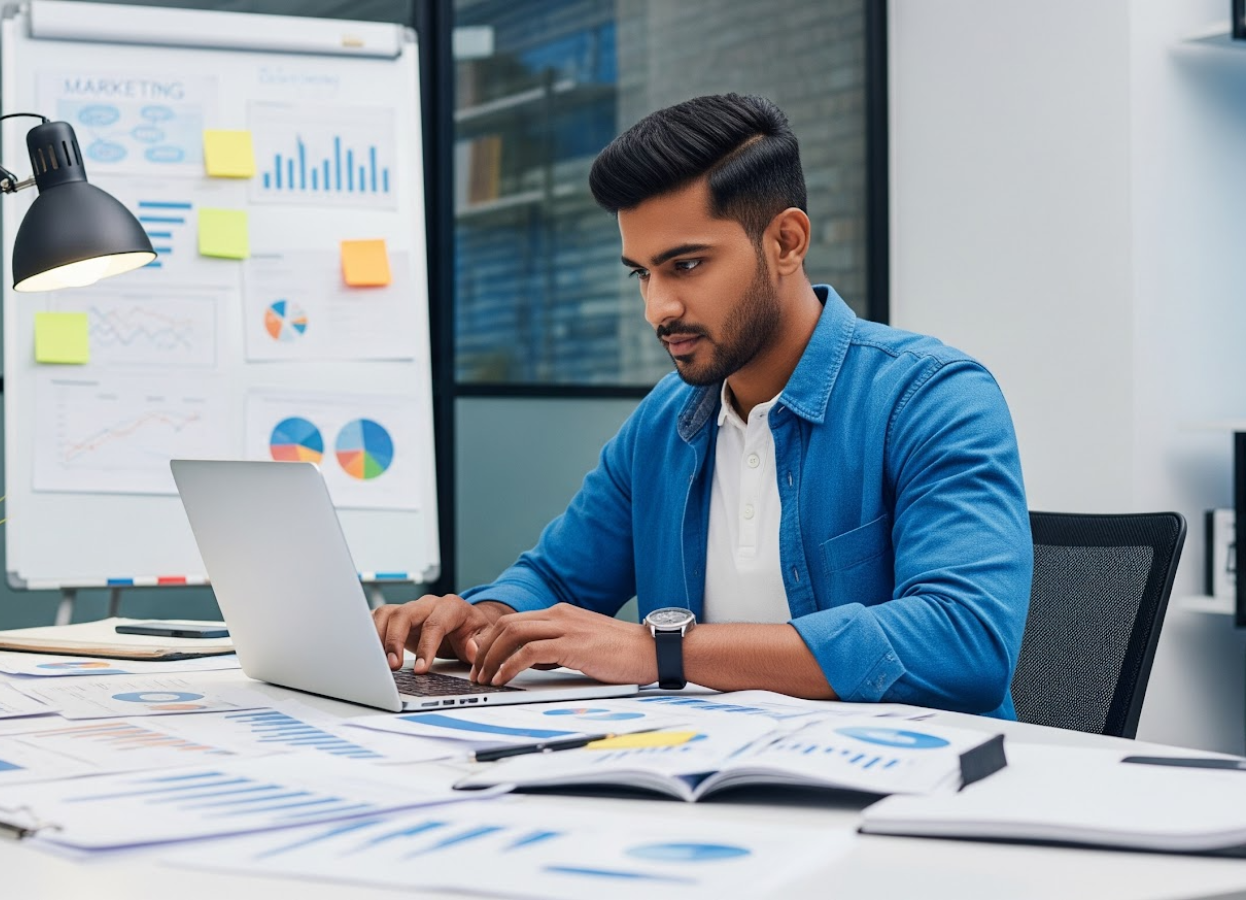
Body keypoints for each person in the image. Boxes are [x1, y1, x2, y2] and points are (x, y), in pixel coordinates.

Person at [372, 93, 1031, 717]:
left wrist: (659, 652)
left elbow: (963, 640)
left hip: (902, 780)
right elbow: (557, 581)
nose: (657, 308)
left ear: (786, 242)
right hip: (701, 774)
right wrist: (477, 621)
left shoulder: (932, 398)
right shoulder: (666, 421)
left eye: (685, 265)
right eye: (642, 273)